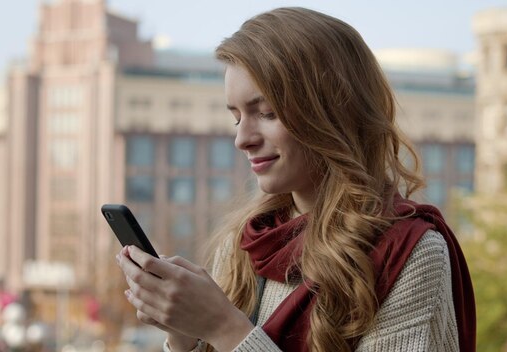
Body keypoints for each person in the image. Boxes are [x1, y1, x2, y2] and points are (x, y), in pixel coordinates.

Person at [116, 7, 476, 352]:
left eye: (267, 113)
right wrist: (184, 336)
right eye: (237, 117)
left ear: (333, 112)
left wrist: (224, 328)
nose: (243, 139)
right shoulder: (246, 245)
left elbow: (229, 335)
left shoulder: (407, 253)